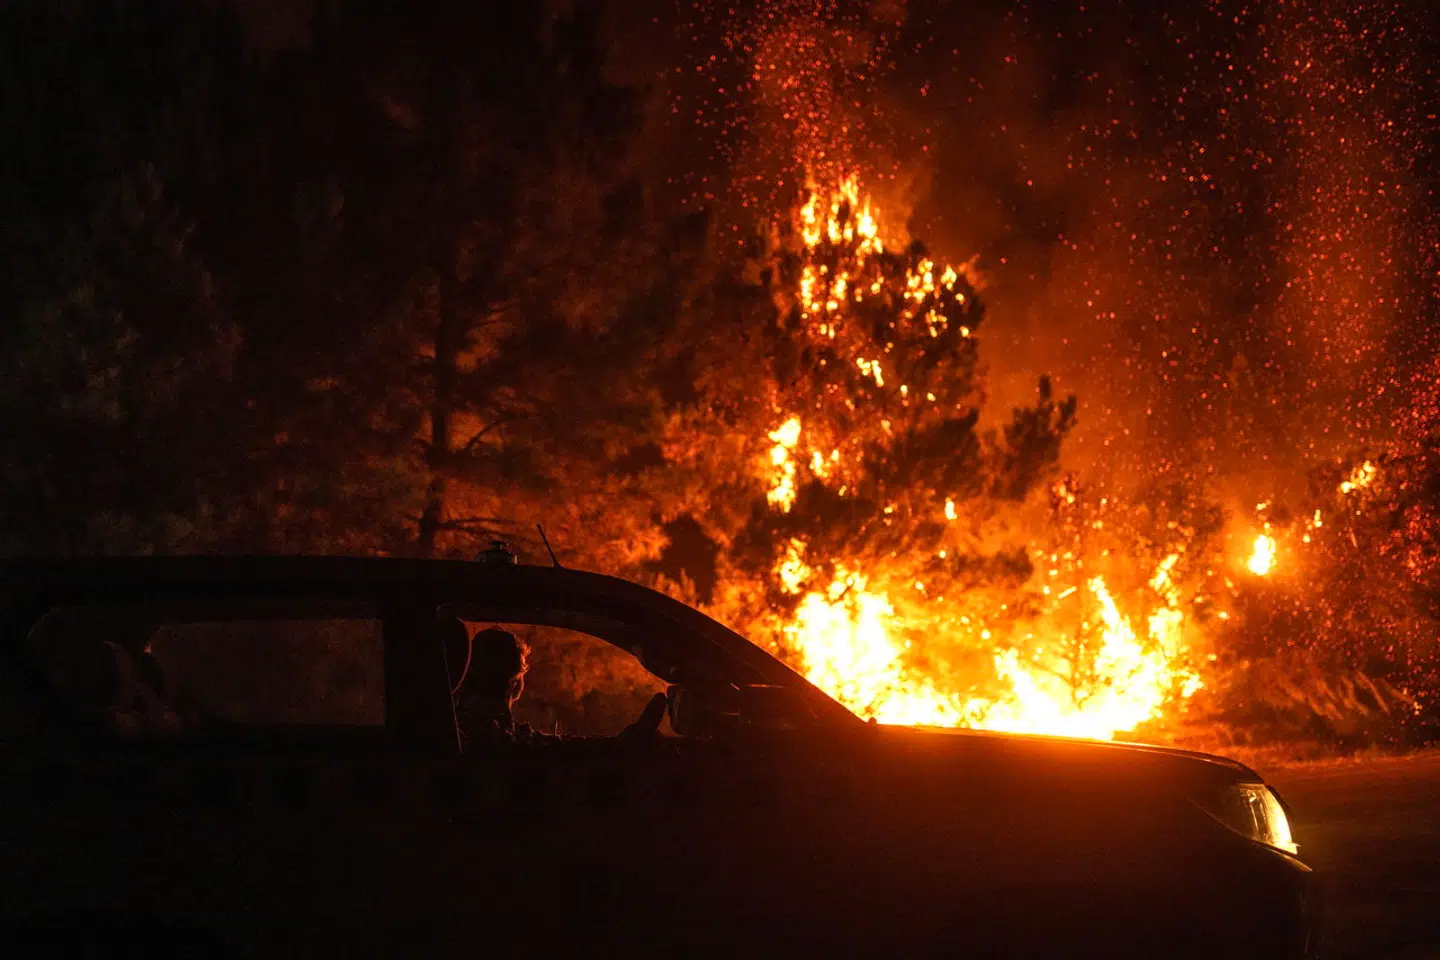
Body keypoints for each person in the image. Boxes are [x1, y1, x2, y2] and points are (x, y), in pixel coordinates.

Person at [441, 619, 667, 749]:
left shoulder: (458, 724)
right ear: (514, 684)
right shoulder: (490, 732)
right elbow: (556, 752)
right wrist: (625, 745)